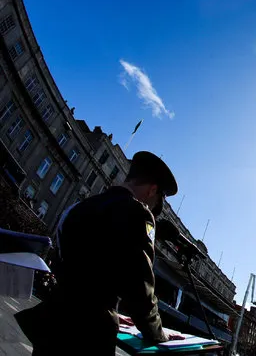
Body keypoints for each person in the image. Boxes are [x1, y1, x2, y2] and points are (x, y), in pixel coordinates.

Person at [15, 151, 182, 355]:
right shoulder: (138, 213)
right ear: (152, 190)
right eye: (156, 201)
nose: (152, 207)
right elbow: (140, 287)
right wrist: (158, 333)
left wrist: (108, 307)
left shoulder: (80, 207)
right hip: (88, 335)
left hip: (53, 322)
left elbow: (69, 267)